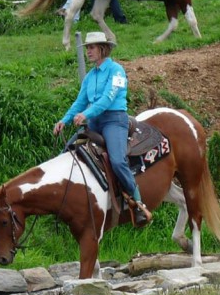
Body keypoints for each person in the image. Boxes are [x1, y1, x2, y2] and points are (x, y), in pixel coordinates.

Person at [53, 31, 152, 227]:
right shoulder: (90, 77)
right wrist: (64, 120)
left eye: (91, 47)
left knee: (117, 160)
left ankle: (138, 201)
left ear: (102, 48)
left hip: (114, 121)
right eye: (87, 48)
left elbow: (108, 99)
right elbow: (80, 101)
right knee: (69, 151)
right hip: (95, 122)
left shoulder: (117, 71)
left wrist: (86, 115)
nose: (88, 51)